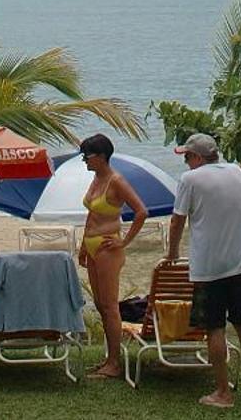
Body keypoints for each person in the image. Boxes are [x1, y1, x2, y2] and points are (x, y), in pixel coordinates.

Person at [166, 133, 241, 408]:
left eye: (188, 157)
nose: (186, 162)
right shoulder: (236, 171)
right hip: (240, 260)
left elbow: (177, 220)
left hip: (210, 265)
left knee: (214, 326)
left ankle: (223, 392)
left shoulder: (190, 179)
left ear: (198, 157)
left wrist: (172, 252)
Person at [75, 133, 147, 379]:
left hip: (108, 248)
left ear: (102, 156)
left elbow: (141, 211)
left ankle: (115, 364)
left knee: (110, 305)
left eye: (88, 155)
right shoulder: (95, 179)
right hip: (93, 245)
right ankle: (109, 358)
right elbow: (91, 214)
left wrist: (124, 240)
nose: (84, 160)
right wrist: (84, 244)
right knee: (99, 304)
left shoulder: (116, 181)